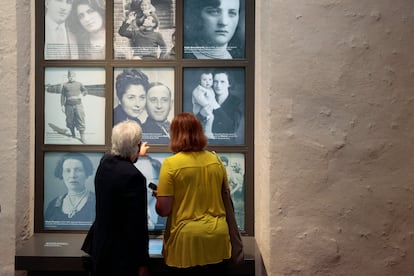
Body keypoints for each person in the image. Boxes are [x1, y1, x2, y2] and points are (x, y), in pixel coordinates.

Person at [154, 112, 231, 274]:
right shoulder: (216, 160)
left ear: (175, 134)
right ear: (199, 132)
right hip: (218, 237)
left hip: (187, 240)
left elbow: (164, 209)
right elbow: (226, 196)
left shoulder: (171, 164)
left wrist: (159, 195)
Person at [82, 120, 150, 276]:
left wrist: (136, 152)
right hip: (121, 257)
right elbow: (137, 225)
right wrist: (143, 263)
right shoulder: (135, 177)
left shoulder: (104, 163)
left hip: (101, 249)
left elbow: (120, 161)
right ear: (137, 146)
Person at [44, 153, 95, 229]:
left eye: (78, 170)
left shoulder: (97, 201)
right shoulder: (53, 205)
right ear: (62, 174)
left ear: (86, 173)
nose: (72, 175)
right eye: (67, 170)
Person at [211, 69, 244, 144]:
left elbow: (232, 128)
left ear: (229, 84)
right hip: (209, 144)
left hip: (228, 145)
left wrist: (216, 106)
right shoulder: (208, 99)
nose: (218, 85)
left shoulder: (237, 102)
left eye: (222, 82)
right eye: (215, 81)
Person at [60, 70, 88, 143]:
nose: (71, 78)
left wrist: (82, 94)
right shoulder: (65, 85)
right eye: (69, 76)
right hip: (68, 106)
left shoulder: (79, 84)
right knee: (70, 120)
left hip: (78, 104)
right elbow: (62, 96)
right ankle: (73, 134)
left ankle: (82, 138)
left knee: (81, 119)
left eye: (72, 76)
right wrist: (62, 105)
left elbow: (85, 91)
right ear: (68, 77)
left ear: (75, 76)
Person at [192, 71, 220, 139]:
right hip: (199, 111)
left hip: (208, 108)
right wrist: (209, 104)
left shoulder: (210, 89)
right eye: (204, 80)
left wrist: (217, 107)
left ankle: (205, 133)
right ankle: (208, 133)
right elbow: (201, 100)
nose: (207, 82)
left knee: (210, 118)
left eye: (210, 79)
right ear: (200, 81)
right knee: (210, 117)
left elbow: (213, 100)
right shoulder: (198, 90)